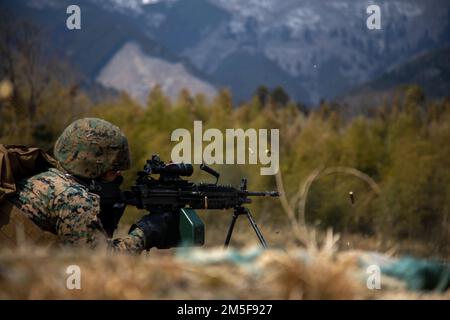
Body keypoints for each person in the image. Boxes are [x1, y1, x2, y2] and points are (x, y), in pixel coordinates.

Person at [1, 117, 169, 254]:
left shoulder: (45, 177)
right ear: (94, 166)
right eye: (115, 169)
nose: (119, 175)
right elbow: (97, 261)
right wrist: (145, 233)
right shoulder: (73, 198)